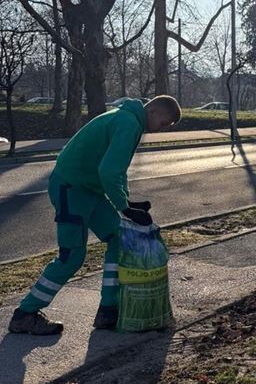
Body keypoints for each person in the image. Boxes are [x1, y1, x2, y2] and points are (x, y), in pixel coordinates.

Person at [8, 96, 182, 335]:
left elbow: (116, 172)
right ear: (152, 111)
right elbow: (109, 171)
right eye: (165, 123)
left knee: (118, 238)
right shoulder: (128, 123)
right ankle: (25, 314)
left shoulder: (126, 119)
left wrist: (127, 202)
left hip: (88, 189)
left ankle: (108, 310)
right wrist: (124, 207)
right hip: (71, 187)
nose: (164, 128)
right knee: (71, 257)